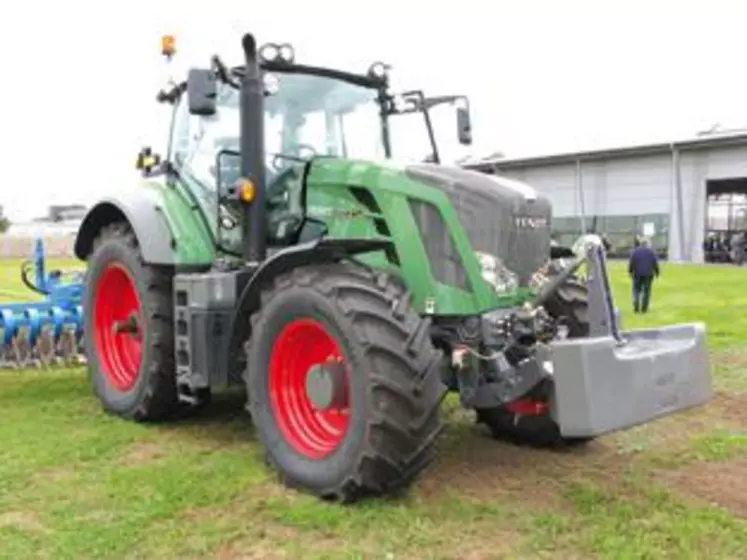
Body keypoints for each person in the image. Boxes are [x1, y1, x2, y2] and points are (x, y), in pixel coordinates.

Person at [628, 237, 660, 313]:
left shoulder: (635, 252)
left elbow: (632, 262)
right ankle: (644, 308)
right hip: (648, 274)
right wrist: (657, 272)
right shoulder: (651, 252)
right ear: (647, 244)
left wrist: (630, 271)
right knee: (646, 291)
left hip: (637, 274)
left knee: (636, 290)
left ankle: (636, 305)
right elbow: (654, 263)